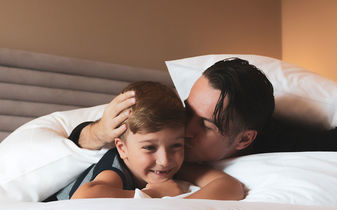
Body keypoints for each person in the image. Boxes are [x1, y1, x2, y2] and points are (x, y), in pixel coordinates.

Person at [68, 58, 337, 165]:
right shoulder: (168, 119)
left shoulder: (280, 144)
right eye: (188, 111)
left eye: (206, 125)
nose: (185, 128)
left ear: (244, 140)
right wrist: (96, 132)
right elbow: (74, 135)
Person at [50, 81, 244, 201]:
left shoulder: (171, 164)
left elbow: (230, 187)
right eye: (149, 147)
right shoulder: (117, 167)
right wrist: (154, 194)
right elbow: (83, 197)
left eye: (177, 145)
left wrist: (180, 205)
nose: (165, 160)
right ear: (122, 148)